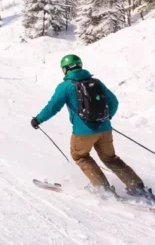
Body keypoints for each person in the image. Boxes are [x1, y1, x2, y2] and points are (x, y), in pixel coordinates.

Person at [31, 54, 146, 196]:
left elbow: (52, 107)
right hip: (105, 129)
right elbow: (114, 102)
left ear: (66, 69)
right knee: (111, 159)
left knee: (80, 156)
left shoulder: (65, 86)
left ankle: (102, 189)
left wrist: (38, 119)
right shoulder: (96, 82)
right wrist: (107, 117)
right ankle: (138, 188)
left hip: (83, 132)